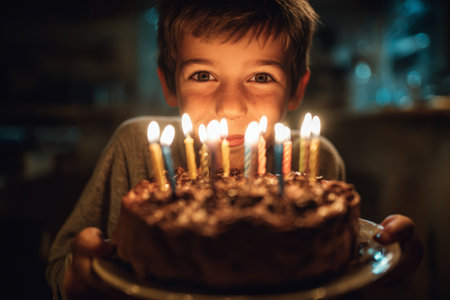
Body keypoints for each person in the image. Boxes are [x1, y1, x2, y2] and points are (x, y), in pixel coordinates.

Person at [46, 1, 421, 299]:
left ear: (296, 89)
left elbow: (333, 272)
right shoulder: (135, 147)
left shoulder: (314, 159)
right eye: (203, 75)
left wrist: (388, 265)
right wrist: (78, 280)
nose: (230, 106)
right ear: (169, 84)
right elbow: (61, 264)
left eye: (261, 77)